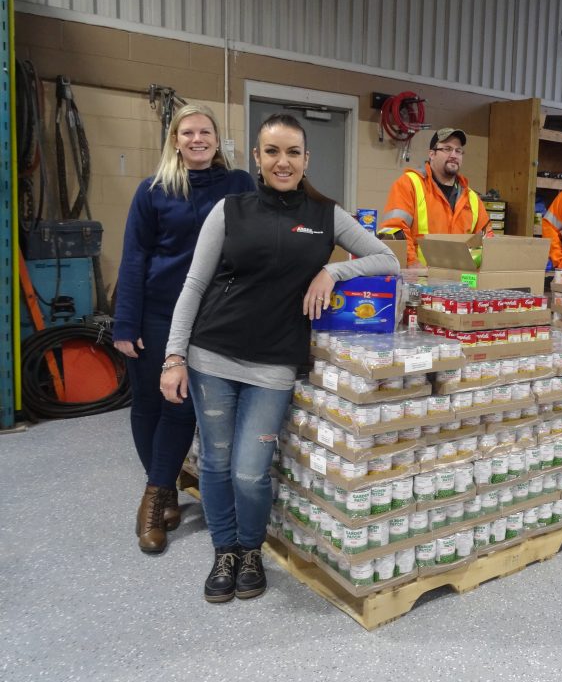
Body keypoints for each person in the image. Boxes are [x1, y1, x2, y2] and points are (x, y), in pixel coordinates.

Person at [160, 113, 401, 603]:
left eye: (293, 152)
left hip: (273, 364)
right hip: (212, 354)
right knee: (216, 463)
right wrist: (173, 356)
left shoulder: (325, 215)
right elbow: (194, 285)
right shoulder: (230, 209)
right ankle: (225, 549)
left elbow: (388, 259)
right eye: (272, 151)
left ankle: (251, 549)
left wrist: (333, 273)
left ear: (306, 159)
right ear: (257, 157)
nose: (282, 161)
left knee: (250, 470)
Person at [114, 104, 255, 555]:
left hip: (212, 314)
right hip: (156, 310)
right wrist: (124, 322)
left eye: (206, 132)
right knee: (148, 403)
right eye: (188, 132)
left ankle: (153, 499)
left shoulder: (239, 185)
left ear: (217, 139)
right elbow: (135, 258)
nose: (197, 139)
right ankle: (164, 490)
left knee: (179, 406)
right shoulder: (153, 191)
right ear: (175, 140)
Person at [379, 127, 491, 266]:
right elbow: (393, 230)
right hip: (420, 280)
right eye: (447, 149)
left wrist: (472, 269)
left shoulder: (472, 199)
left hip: (460, 283)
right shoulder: (409, 184)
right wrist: (412, 264)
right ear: (431, 154)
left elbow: (486, 241)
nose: (454, 155)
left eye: (458, 151)